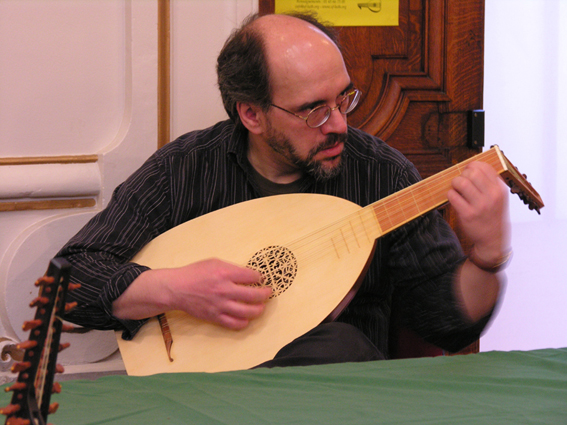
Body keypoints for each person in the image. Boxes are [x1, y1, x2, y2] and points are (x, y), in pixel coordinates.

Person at [56, 12, 511, 367]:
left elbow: (449, 324)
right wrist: (172, 289)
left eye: (344, 99)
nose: (339, 124)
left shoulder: (381, 176)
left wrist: (488, 257)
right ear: (251, 115)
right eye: (313, 110)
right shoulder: (185, 168)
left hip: (334, 396)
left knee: (339, 345)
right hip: (213, 393)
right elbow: (67, 281)